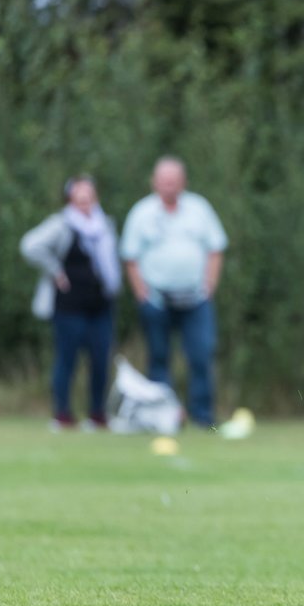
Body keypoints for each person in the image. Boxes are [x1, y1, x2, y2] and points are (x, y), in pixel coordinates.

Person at [120, 156, 228, 428]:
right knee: (159, 360)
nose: (170, 186)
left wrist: (210, 285)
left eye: (175, 181)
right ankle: (163, 419)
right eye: (165, 182)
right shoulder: (142, 213)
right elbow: (130, 256)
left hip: (196, 300)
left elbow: (215, 248)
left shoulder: (199, 209)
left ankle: (203, 418)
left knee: (201, 355)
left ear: (184, 182)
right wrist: (141, 293)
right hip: (157, 300)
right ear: (155, 183)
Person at [20, 175, 121, 430]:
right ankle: (62, 413)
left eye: (89, 193)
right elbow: (30, 245)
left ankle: (98, 414)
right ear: (70, 197)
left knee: (100, 359)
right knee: (67, 359)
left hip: (100, 304)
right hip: (69, 305)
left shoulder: (105, 224)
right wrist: (55, 270)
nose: (85, 199)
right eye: (79, 194)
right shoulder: (61, 224)